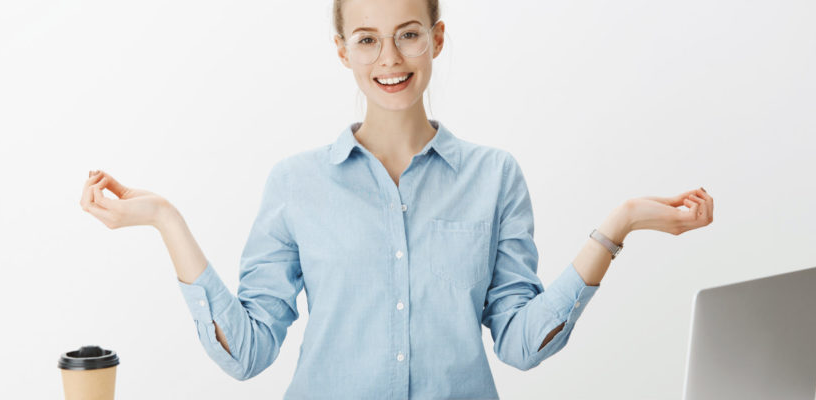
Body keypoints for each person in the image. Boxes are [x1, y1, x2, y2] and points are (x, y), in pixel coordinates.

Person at [78, 0, 715, 398]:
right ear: (342, 50)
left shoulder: (494, 177)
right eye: (367, 39)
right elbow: (246, 354)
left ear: (436, 38)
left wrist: (618, 226)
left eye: (408, 34)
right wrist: (164, 220)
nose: (390, 58)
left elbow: (522, 345)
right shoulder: (296, 184)